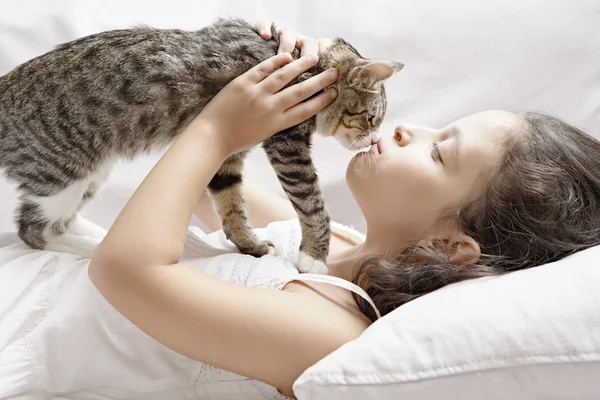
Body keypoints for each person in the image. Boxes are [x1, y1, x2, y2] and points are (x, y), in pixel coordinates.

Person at [1, 24, 600, 400]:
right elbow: (211, 189)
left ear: (449, 246)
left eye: (440, 151)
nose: (408, 128)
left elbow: (127, 268)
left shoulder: (333, 330)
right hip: (27, 269)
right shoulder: (336, 244)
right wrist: (271, 79)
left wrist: (215, 126)